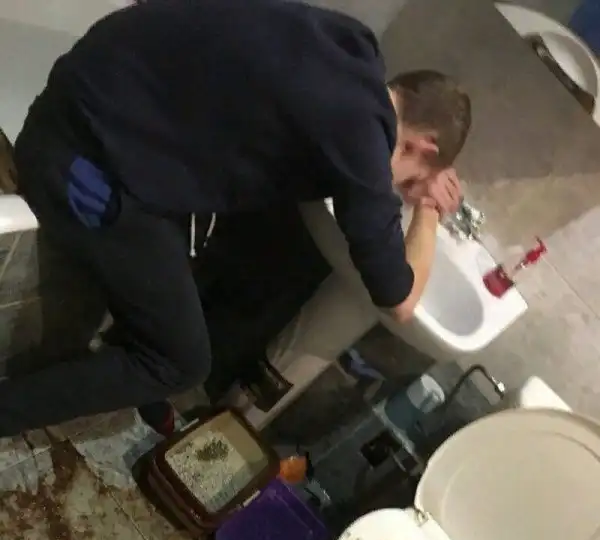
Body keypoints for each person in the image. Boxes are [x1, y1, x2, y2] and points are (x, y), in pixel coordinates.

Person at [0, 0, 470, 439]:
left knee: (213, 244)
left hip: (86, 104)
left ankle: (132, 354)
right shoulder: (362, 136)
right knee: (181, 363)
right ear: (423, 146)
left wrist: (414, 182)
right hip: (78, 163)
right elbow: (399, 299)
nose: (396, 191)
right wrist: (428, 210)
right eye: (409, 182)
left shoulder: (348, 48)